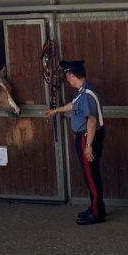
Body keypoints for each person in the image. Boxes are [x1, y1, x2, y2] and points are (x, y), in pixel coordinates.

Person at [45, 60, 106, 225]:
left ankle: (97, 212)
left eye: (67, 77)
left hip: (87, 137)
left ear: (72, 75)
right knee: (90, 175)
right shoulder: (83, 91)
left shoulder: (86, 94)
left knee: (91, 177)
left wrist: (88, 145)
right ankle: (96, 206)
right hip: (86, 137)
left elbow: (92, 121)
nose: (67, 80)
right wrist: (56, 110)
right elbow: (74, 105)